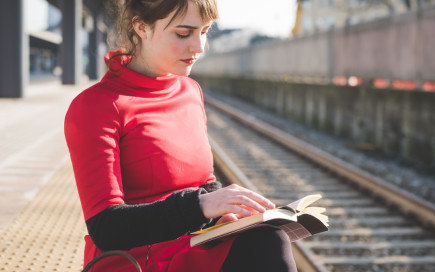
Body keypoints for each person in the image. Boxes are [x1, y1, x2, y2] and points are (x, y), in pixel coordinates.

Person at [64, 0, 297, 271]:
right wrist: (200, 207)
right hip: (137, 259)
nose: (198, 47)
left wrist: (229, 209)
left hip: (191, 244)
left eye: (205, 31)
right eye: (183, 33)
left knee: (267, 236)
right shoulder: (97, 106)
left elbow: (204, 183)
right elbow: (106, 226)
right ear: (141, 27)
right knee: (265, 246)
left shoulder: (190, 91)